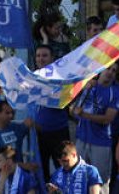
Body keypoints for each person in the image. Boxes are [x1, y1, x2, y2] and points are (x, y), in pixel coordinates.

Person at [74, 64, 119, 184]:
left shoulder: (116, 94)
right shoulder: (87, 86)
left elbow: (107, 119)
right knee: (78, 180)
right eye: (108, 68)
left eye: (114, 71)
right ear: (101, 69)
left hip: (101, 143)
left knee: (100, 183)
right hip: (81, 139)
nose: (110, 72)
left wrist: (83, 115)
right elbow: (75, 111)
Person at [31, 45, 73, 181]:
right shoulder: (32, 77)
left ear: (52, 58)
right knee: (41, 170)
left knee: (64, 169)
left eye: (44, 55)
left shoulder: (60, 77)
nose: (41, 59)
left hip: (58, 132)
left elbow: (63, 101)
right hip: (39, 132)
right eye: (38, 55)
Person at [0, 101, 37, 185]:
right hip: (2, 180)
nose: (11, 115)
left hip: (19, 178)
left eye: (12, 112)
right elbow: (0, 159)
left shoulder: (14, 127)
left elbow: (30, 125)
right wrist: (25, 166)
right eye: (7, 113)